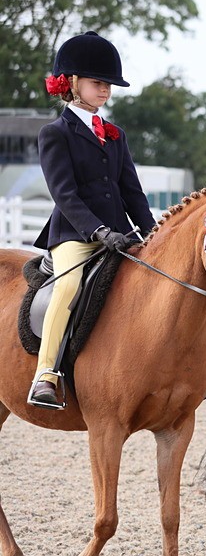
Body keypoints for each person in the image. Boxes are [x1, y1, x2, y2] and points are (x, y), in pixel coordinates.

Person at [28, 31, 156, 409]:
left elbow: (132, 192)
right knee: (67, 288)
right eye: (99, 83)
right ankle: (46, 374)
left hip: (121, 232)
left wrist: (153, 235)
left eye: (109, 85)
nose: (106, 91)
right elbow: (63, 194)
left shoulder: (115, 136)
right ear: (71, 83)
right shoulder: (54, 134)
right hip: (75, 234)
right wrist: (98, 231)